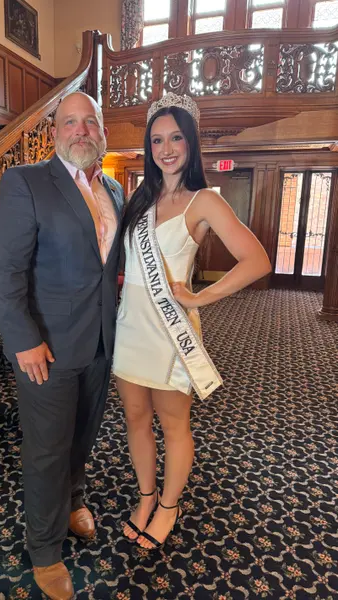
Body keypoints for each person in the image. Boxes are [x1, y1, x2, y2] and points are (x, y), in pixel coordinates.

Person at [113, 92, 271, 550]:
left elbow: (256, 260)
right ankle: (145, 498)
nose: (166, 148)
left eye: (176, 138)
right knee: (135, 418)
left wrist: (200, 296)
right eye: (157, 139)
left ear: (191, 143)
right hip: (130, 327)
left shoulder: (203, 200)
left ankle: (168, 505)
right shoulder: (138, 198)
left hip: (168, 331)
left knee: (173, 424)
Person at [0, 92, 124, 600]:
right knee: (47, 449)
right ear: (54, 131)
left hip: (101, 342)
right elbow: (4, 270)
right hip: (46, 348)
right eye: (71, 122)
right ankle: (44, 551)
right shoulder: (27, 182)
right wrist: (23, 341)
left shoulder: (112, 188)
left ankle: (72, 500)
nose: (81, 130)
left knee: (83, 435)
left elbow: (107, 267)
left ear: (102, 132)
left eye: (91, 122)